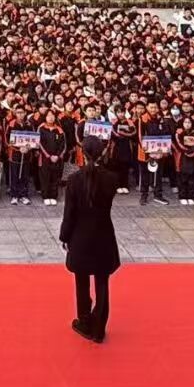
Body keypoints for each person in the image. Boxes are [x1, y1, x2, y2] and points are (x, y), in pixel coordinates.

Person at [59, 137, 120, 344]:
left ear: (82, 153)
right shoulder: (111, 179)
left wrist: (64, 236)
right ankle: (99, 326)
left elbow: (70, 213)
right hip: (103, 234)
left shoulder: (74, 180)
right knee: (102, 281)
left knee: (81, 281)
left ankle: (85, 321)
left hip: (80, 236)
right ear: (103, 153)